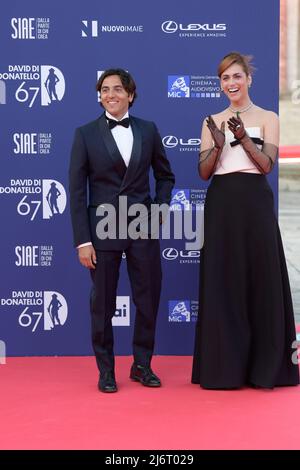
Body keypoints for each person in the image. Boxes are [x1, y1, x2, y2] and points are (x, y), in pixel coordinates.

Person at [192, 52, 299, 389]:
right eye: (225, 78)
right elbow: (204, 173)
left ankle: (265, 367)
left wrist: (243, 139)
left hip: (255, 201)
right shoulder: (211, 120)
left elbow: (267, 165)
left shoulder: (269, 117)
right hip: (222, 203)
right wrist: (219, 145)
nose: (231, 83)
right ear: (220, 84)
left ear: (249, 79)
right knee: (225, 280)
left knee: (260, 278)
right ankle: (226, 368)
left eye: (236, 76)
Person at [69, 69, 175, 393]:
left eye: (117, 89)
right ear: (99, 95)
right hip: (102, 230)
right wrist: (83, 241)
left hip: (142, 226)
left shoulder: (148, 129)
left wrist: (159, 208)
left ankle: (142, 364)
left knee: (147, 299)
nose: (110, 94)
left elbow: (165, 176)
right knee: (103, 304)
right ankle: (106, 370)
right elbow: (76, 192)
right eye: (104, 89)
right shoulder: (85, 134)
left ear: (130, 94)